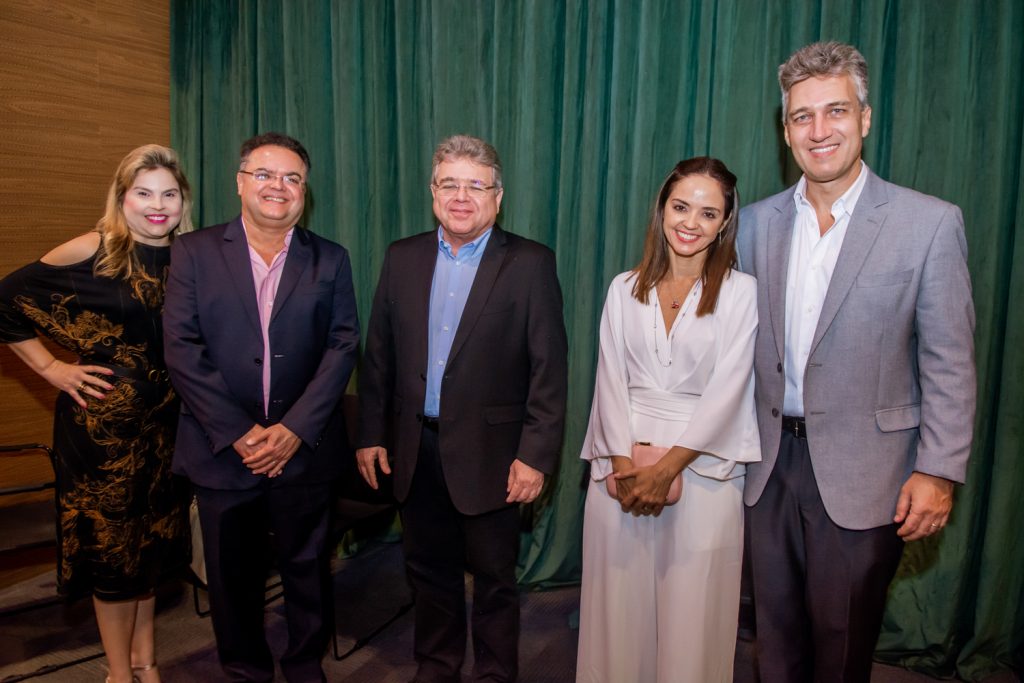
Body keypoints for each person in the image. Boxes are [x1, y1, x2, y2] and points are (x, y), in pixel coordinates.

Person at [736, 42, 976, 682]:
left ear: (865, 119)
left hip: (867, 474)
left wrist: (939, 469)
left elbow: (950, 360)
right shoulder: (752, 227)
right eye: (802, 117)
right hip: (765, 470)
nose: (819, 131)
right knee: (774, 646)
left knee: (841, 652)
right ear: (785, 130)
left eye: (835, 111)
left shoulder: (928, 225)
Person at [355, 134, 568, 683]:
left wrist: (536, 456)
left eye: (476, 185)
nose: (461, 196)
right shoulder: (402, 257)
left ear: (498, 197)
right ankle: (436, 668)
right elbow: (378, 356)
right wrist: (369, 434)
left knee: (496, 581)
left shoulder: (529, 263)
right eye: (449, 183)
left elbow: (549, 371)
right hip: (413, 448)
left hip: (494, 456)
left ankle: (496, 675)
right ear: (432, 192)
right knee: (428, 573)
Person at [163, 132, 359, 683]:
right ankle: (245, 670)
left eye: (293, 178)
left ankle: (303, 667)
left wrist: (293, 429)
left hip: (304, 451)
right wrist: (242, 432)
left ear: (305, 191)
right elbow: (181, 347)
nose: (280, 187)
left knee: (307, 569)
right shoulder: (194, 252)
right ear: (240, 182)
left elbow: (343, 345)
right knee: (231, 577)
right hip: (222, 450)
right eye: (266, 175)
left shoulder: (331, 259)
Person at [0, 145, 192, 683]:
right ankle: (118, 674)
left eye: (169, 194)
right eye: (144, 193)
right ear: (122, 196)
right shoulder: (93, 250)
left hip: (169, 429)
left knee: (149, 548)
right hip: (101, 435)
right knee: (112, 555)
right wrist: (52, 369)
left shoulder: (191, 255)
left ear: (184, 200)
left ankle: (146, 663)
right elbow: (4, 302)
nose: (157, 206)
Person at [575, 157, 760, 682]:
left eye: (708, 213)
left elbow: (729, 392)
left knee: (693, 616)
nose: (690, 222)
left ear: (724, 223)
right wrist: (625, 465)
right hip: (621, 471)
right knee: (617, 611)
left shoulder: (742, 293)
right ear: (661, 210)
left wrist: (666, 469)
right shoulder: (621, 287)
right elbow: (607, 382)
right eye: (681, 206)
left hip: (704, 474)